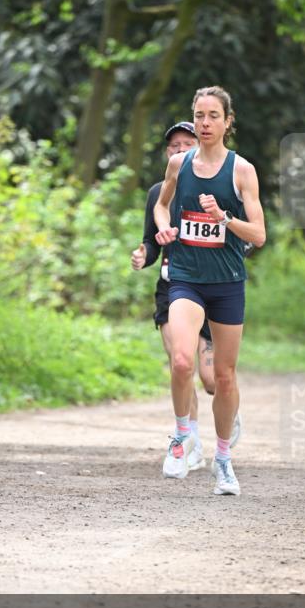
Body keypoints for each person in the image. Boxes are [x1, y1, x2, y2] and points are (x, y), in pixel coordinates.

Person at [154, 87, 266, 496]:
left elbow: (259, 234)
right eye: (199, 115)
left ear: (227, 121)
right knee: (182, 361)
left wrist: (225, 218)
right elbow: (161, 205)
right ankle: (182, 436)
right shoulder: (179, 164)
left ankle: (223, 460)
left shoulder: (242, 171)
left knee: (223, 377)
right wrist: (164, 228)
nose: (204, 123)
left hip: (227, 284)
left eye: (213, 116)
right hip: (186, 278)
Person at [130, 121, 242, 477]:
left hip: (215, 286)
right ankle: (188, 441)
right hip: (174, 287)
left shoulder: (220, 185)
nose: (179, 150)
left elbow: (243, 238)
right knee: (181, 363)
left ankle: (227, 409)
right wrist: (143, 254)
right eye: (173, 145)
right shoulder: (158, 193)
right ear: (168, 153)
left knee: (212, 379)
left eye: (186, 144)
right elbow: (151, 240)